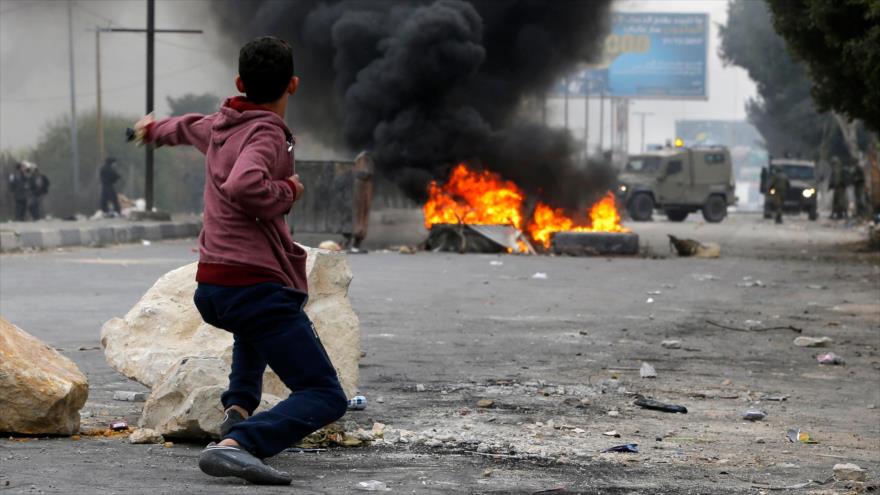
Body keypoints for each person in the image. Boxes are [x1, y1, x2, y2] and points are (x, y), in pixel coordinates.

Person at [131, 36, 346, 485]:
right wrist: (289, 191)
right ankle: (240, 444)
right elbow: (246, 184)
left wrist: (152, 130)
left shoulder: (221, 123)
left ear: (239, 83)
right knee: (325, 394)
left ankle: (238, 408)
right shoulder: (267, 132)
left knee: (255, 331)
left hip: (215, 287)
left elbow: (184, 127)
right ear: (293, 84)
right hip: (253, 285)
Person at [349, 151, 374, 252]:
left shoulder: (368, 182)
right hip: (359, 198)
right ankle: (355, 244)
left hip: (365, 198)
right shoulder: (357, 181)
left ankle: (357, 244)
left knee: (363, 218)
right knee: (358, 218)